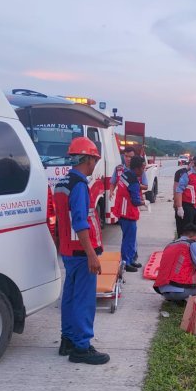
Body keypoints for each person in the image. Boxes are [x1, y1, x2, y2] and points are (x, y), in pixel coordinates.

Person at [54, 137, 110, 365]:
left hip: (68, 250)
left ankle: (67, 340)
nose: (95, 164)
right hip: (80, 252)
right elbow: (80, 222)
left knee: (69, 297)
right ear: (87, 158)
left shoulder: (63, 182)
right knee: (84, 301)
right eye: (94, 159)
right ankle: (82, 347)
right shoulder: (78, 185)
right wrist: (91, 254)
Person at [153, 223, 196, 301]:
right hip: (179, 290)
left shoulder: (169, 245)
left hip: (163, 290)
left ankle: (181, 301)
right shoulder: (192, 244)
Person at [113, 155, 146, 272]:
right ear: (137, 168)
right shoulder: (133, 181)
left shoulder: (125, 174)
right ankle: (126, 262)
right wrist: (144, 202)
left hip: (121, 211)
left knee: (129, 238)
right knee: (129, 239)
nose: (144, 170)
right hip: (128, 214)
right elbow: (135, 201)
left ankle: (130, 260)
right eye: (143, 168)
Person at [174, 155, 196, 230]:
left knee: (195, 231)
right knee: (187, 231)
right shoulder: (187, 175)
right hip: (188, 207)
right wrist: (179, 207)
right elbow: (179, 191)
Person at [173, 156, 194, 235]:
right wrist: (176, 203)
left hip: (191, 205)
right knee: (181, 226)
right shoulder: (180, 173)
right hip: (181, 202)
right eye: (192, 163)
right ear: (190, 163)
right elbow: (176, 187)